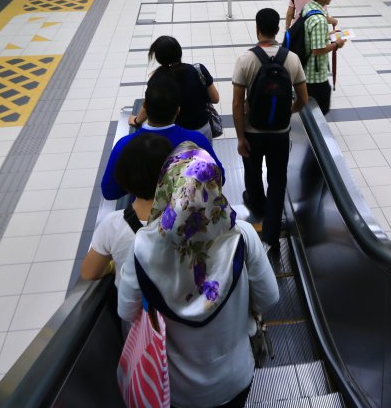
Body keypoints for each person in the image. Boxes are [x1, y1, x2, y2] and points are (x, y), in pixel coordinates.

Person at [118, 145, 279, 408]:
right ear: (215, 186)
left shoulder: (143, 247)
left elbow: (126, 311)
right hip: (235, 376)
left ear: (166, 188)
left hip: (177, 389)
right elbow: (270, 298)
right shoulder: (242, 235)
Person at [233, 8, 308, 248]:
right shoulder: (292, 58)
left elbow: (236, 102)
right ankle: (271, 235)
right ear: (277, 29)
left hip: (252, 133)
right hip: (279, 134)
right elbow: (303, 100)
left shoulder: (246, 59)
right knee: (277, 179)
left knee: (253, 172)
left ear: (257, 29)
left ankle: (255, 202)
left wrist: (240, 137)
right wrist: (288, 112)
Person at [101, 79, 220, 200]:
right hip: (185, 211)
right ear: (178, 110)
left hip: (142, 213)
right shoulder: (197, 141)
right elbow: (220, 178)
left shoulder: (125, 145)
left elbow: (109, 192)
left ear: (145, 107)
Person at [80, 134, 174, 280]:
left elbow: (89, 273)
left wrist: (112, 267)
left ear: (124, 176)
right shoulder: (193, 217)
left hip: (133, 301)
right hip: (186, 300)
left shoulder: (112, 225)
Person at [129, 36, 219, 139]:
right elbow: (215, 99)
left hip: (176, 134)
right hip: (203, 130)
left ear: (159, 58)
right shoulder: (198, 70)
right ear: (179, 52)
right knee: (204, 155)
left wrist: (136, 121)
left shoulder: (157, 79)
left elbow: (148, 106)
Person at [303, 0, 344, 115]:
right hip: (314, 76)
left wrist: (328, 36)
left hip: (305, 69)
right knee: (320, 109)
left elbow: (310, 37)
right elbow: (317, 50)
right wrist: (337, 44)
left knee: (310, 110)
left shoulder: (308, 8)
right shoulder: (320, 20)